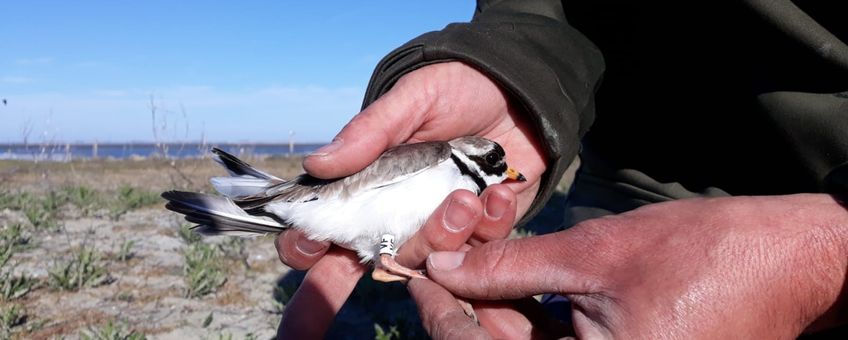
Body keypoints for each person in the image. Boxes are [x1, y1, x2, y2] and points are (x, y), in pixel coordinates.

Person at [275, 0, 848, 338]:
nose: (506, 176)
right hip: (627, 206)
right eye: (494, 165)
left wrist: (826, 255)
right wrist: (515, 70)